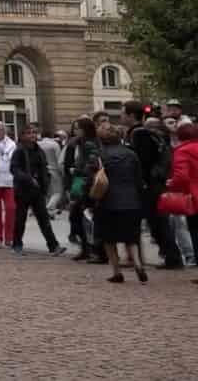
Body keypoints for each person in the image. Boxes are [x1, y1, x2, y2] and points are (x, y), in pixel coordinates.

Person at [124, 104, 179, 268]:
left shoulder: (139, 133)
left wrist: (142, 181)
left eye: (123, 114)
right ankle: (169, 256)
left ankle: (171, 257)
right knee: (156, 222)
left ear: (131, 115)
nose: (121, 117)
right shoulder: (145, 132)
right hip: (153, 184)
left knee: (157, 222)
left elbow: (144, 160)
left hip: (149, 185)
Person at [93, 124, 147, 283]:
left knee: (109, 238)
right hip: (131, 200)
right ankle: (137, 263)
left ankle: (117, 271)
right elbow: (139, 179)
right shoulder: (131, 155)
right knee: (131, 237)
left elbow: (93, 178)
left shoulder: (100, 155)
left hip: (108, 201)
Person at [10, 125, 65, 256]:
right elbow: (14, 169)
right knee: (20, 219)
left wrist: (45, 180)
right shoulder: (19, 151)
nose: (32, 135)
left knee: (44, 219)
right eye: (29, 133)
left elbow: (43, 167)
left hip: (38, 190)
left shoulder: (38, 150)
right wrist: (28, 179)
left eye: (34, 133)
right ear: (23, 136)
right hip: (23, 189)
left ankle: (53, 246)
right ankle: (17, 245)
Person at [163, 122, 198, 282]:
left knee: (196, 232)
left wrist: (171, 183)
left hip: (194, 197)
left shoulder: (182, 151)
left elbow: (182, 176)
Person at [68, 117, 106, 263]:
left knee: (86, 217)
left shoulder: (89, 144)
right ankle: (87, 248)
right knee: (78, 216)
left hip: (87, 184)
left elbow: (91, 164)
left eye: (77, 128)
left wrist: (77, 171)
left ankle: (95, 250)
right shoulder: (81, 143)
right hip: (82, 182)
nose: (75, 131)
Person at [38, 125, 66, 215]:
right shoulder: (54, 145)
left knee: (48, 192)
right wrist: (62, 171)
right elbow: (59, 159)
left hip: (41, 170)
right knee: (58, 191)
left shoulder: (38, 144)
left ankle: (49, 209)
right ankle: (48, 208)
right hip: (54, 170)